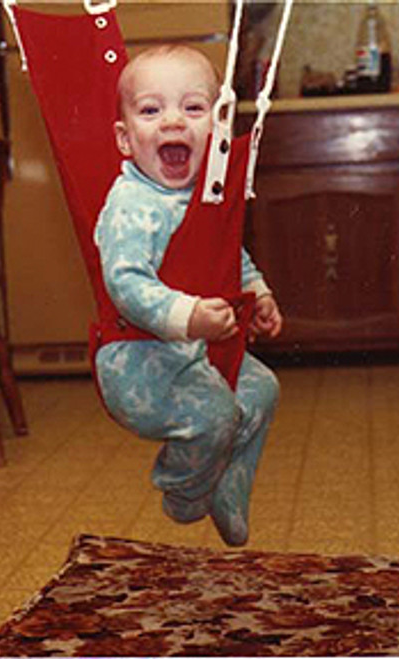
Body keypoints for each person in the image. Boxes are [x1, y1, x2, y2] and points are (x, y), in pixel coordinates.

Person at [93, 44, 282, 546]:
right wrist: (190, 315)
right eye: (151, 110)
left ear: (217, 129)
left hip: (195, 352)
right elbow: (126, 282)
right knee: (214, 414)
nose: (174, 122)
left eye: (193, 108)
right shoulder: (132, 204)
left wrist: (256, 292)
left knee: (261, 390)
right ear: (125, 138)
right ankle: (185, 492)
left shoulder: (208, 192)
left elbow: (226, 255)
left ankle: (228, 484)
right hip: (137, 359)